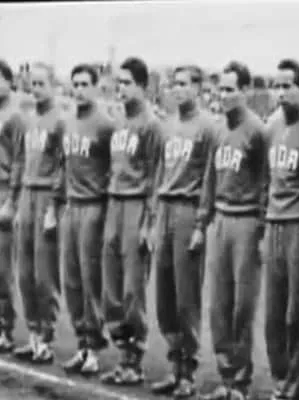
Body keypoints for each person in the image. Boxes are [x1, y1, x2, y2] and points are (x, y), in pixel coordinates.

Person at [150, 65, 217, 398]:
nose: (177, 89)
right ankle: (173, 365)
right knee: (164, 295)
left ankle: (188, 371)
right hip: (165, 208)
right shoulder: (168, 124)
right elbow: (160, 172)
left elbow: (209, 179)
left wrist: (202, 224)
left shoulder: (208, 127)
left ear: (198, 88)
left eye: (183, 84)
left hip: (188, 210)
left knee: (186, 295)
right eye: (174, 84)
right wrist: (152, 219)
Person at [204, 61, 268, 400]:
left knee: (242, 306)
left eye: (230, 89)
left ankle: (240, 382)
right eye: (221, 89)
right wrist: (203, 221)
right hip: (221, 219)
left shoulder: (257, 131)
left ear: (244, 91)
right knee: (219, 305)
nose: (224, 95)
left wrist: (262, 228)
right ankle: (226, 378)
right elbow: (210, 179)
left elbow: (267, 182)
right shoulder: (218, 130)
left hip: (246, 222)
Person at [99, 57, 164, 385]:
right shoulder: (119, 121)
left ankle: (134, 358)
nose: (121, 88)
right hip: (115, 202)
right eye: (119, 83)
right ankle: (122, 352)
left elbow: (155, 177)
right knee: (110, 286)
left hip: (137, 205)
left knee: (132, 289)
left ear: (142, 86)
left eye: (127, 83)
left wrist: (149, 223)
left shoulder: (151, 125)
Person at [264, 59, 299, 400]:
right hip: (273, 223)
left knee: (294, 314)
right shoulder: (271, 126)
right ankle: (279, 382)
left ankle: (296, 385)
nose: (281, 93)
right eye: (278, 86)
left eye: (288, 86)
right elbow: (265, 181)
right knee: (272, 314)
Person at [60, 63, 114, 376]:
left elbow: (115, 166)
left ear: (94, 87)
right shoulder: (68, 121)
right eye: (75, 84)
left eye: (84, 84)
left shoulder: (105, 124)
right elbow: (63, 165)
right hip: (72, 205)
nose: (79, 90)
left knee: (91, 278)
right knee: (71, 280)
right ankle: (81, 343)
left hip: (94, 206)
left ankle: (94, 346)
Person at [12, 62, 64, 364]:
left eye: (42, 83)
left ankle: (46, 336)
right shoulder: (29, 119)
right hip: (27, 194)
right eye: (33, 83)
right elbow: (21, 160)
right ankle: (33, 334)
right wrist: (17, 201)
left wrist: (54, 208)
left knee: (45, 275)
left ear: (53, 85)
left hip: (46, 196)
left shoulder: (60, 121)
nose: (36, 89)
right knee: (25, 273)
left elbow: (63, 166)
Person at [0, 59, 24, 352]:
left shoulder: (15, 117)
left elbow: (20, 160)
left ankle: (5, 327)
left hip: (4, 190)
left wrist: (11, 202)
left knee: (2, 267)